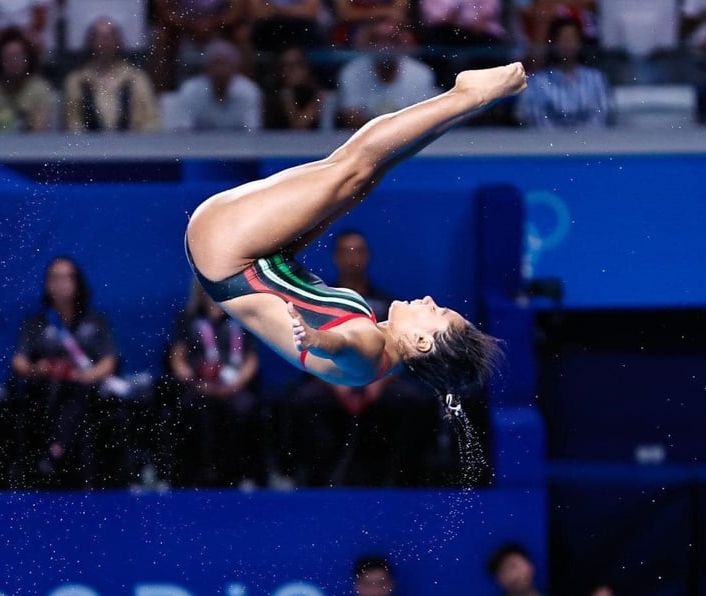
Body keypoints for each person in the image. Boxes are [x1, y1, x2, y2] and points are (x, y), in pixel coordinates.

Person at [184, 62, 525, 417]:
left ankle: (468, 96)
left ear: (422, 343)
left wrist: (319, 340)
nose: (428, 299)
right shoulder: (377, 348)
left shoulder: (371, 348)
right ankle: (464, 106)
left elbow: (347, 345)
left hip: (228, 248)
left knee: (353, 168)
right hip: (246, 257)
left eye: (436, 311)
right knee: (365, 176)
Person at [291, 229, 439, 486]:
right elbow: (328, 344)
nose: (353, 258)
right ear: (335, 257)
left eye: (358, 250)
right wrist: (340, 383)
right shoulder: (320, 300)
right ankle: (314, 480)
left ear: (368, 256)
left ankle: (402, 481)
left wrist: (374, 381)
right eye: (346, 251)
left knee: (413, 401)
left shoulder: (388, 304)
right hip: (331, 378)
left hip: (378, 380)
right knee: (303, 401)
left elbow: (402, 352)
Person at [9, 255, 128, 488]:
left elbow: (109, 361)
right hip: (46, 390)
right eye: (55, 277)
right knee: (53, 394)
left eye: (67, 277)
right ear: (47, 284)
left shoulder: (95, 321)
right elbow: (19, 362)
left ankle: (56, 451)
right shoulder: (36, 323)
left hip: (87, 390)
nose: (61, 283)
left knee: (77, 392)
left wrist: (86, 375)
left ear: (78, 282)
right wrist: (39, 369)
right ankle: (53, 452)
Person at [167, 279, 264, 488]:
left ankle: (242, 476)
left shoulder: (241, 317)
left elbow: (251, 358)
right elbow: (177, 358)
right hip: (199, 386)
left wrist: (236, 384)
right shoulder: (188, 318)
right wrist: (196, 382)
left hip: (235, 387)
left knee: (246, 409)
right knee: (194, 410)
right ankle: (197, 475)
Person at [335, 16, 442, 129]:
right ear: (369, 42)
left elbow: (422, 120)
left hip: (408, 139)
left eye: (391, 40)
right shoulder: (351, 72)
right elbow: (353, 120)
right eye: (378, 40)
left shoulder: (421, 73)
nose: (385, 47)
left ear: (402, 42)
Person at [62, 17, 160, 133]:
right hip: (89, 147)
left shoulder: (137, 79)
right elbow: (72, 124)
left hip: (132, 145)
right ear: (90, 41)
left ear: (119, 41)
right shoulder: (76, 81)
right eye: (100, 36)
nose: (105, 41)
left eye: (110, 36)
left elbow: (151, 122)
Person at [515, 16, 610, 129]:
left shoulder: (596, 79)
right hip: (547, 144)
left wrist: (582, 140)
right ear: (553, 43)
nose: (568, 44)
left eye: (572, 38)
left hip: (589, 143)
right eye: (563, 39)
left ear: (580, 42)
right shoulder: (536, 82)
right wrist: (559, 142)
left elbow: (602, 115)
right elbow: (534, 118)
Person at [0, 27, 57, 132]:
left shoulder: (41, 90)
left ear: (28, 59)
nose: (14, 62)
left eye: (18, 56)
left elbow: (40, 133)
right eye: (9, 57)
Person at [173, 38, 264, 130]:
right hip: (199, 144)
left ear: (235, 68)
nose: (221, 71)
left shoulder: (249, 91)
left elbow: (252, 132)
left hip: (238, 144)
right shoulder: (190, 90)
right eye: (216, 65)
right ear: (207, 68)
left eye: (226, 65)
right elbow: (183, 130)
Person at [262, 46, 331, 130]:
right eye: (284, 66)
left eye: (293, 66)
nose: (287, 71)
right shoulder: (273, 97)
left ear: (305, 68)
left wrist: (318, 100)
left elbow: (300, 125)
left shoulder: (321, 94)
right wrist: (287, 96)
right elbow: (297, 125)